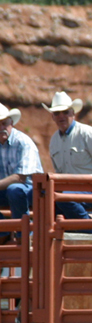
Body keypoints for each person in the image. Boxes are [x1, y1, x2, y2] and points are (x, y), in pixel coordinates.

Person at [44, 91, 92, 225]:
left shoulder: (87, 133)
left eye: (65, 112)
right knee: (46, 199)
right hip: (70, 193)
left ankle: (89, 229)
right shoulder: (54, 140)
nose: (61, 116)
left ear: (73, 113)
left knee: (62, 198)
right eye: (57, 113)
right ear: (52, 117)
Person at [0, 102, 44, 244]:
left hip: (32, 191)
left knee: (15, 189)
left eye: (4, 123)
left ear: (11, 122)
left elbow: (20, 178)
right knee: (13, 190)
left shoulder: (23, 142)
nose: (1, 128)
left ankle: (24, 235)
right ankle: (4, 231)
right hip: (8, 191)